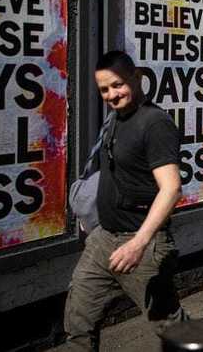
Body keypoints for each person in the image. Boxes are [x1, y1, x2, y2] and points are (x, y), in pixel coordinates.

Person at [63, 51, 187, 351]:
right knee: (78, 321)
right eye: (104, 89)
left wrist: (137, 244)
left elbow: (171, 189)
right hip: (103, 239)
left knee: (171, 327)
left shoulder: (154, 123)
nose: (112, 95)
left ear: (135, 77)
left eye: (118, 85)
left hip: (141, 244)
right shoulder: (117, 119)